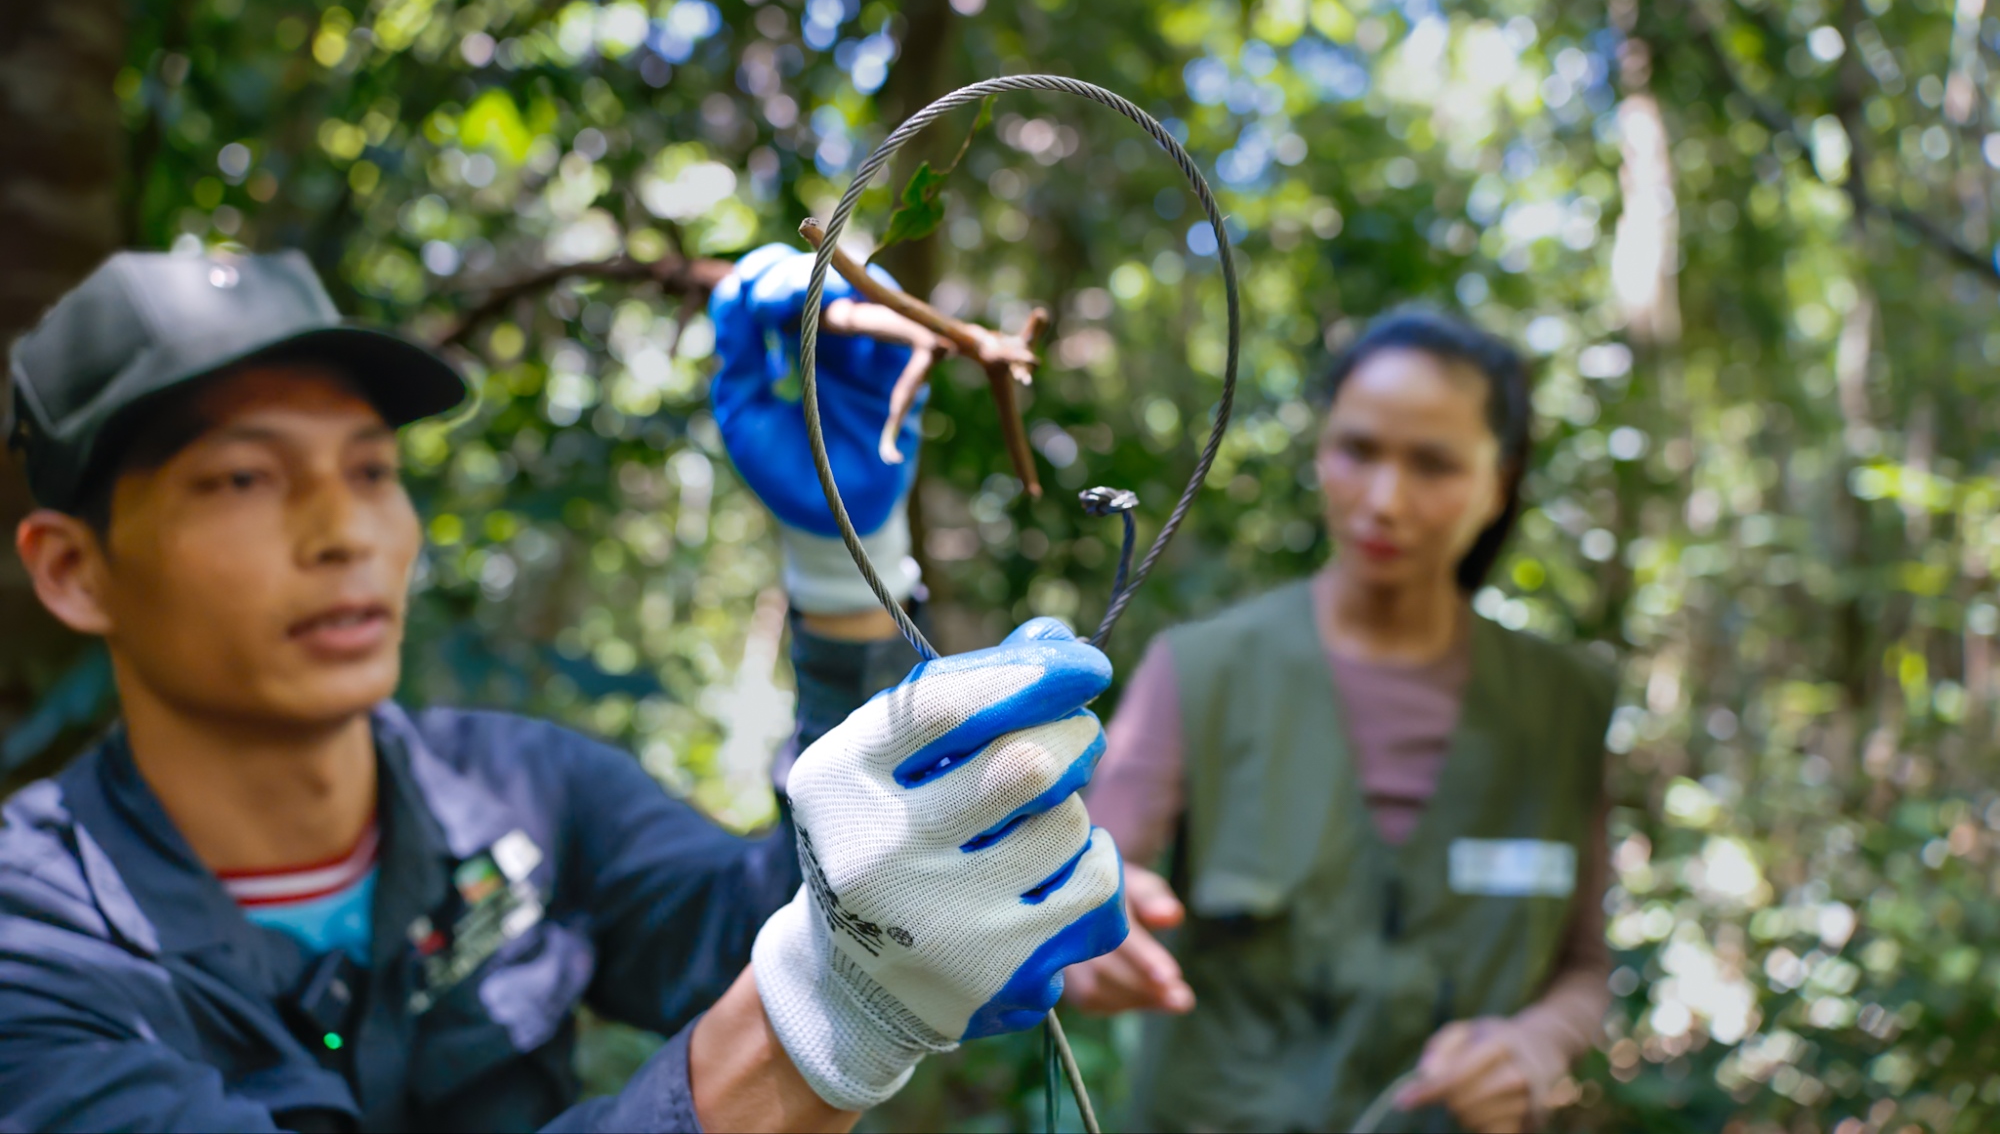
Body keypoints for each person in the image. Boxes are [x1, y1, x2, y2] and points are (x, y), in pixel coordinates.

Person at [0, 247, 1126, 1132]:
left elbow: (760, 920)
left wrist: (844, 570)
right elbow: (816, 970)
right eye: (243, 477)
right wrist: (823, 1021)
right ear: (72, 568)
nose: (342, 530)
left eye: (371, 470)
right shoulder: (31, 940)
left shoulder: (518, 787)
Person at [1065, 310, 1613, 1133]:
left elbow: (1586, 967)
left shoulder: (1564, 702)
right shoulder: (1203, 669)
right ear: (1322, 451)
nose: (1384, 500)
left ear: (1499, 481)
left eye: (1433, 464)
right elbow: (1089, 892)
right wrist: (1096, 930)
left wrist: (1532, 1048)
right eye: (1359, 451)